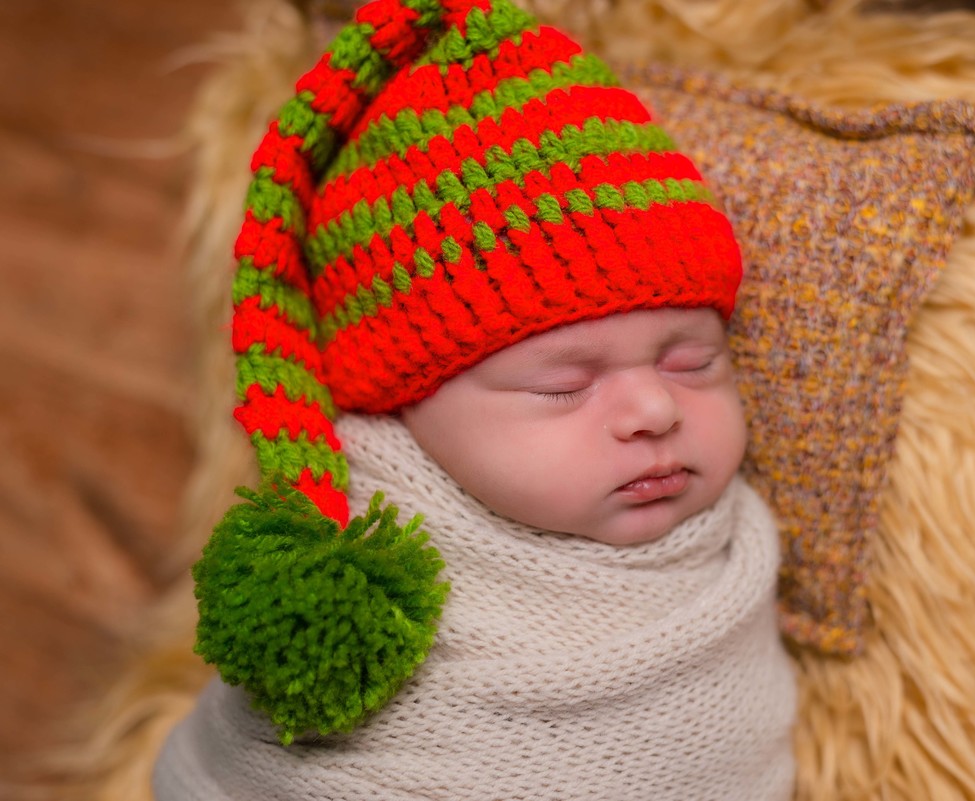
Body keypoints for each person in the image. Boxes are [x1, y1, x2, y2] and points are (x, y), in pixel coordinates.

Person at [151, 0, 798, 798]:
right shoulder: (371, 585)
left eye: (694, 363)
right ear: (401, 406)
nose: (656, 411)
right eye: (565, 386)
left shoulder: (736, 555)